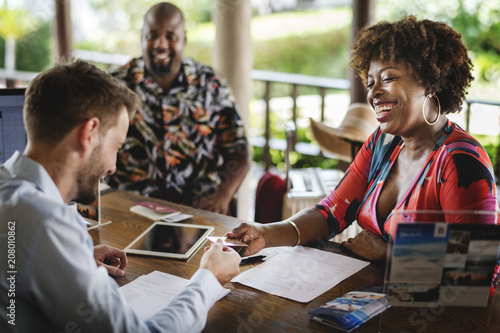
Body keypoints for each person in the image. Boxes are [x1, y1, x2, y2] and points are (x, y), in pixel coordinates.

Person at [227, 16, 498, 262]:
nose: (374, 93)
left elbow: (479, 265)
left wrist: (389, 253)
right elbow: (330, 212)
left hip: (438, 315)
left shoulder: (461, 162)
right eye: (370, 82)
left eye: (388, 78)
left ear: (430, 82)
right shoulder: (382, 143)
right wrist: (265, 233)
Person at [0, 59, 241, 332]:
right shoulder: (46, 222)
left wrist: (71, 259)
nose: (114, 167)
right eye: (116, 146)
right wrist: (208, 278)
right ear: (89, 133)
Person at [107, 2, 250, 216]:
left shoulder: (211, 84)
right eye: (152, 35)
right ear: (142, 36)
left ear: (184, 38)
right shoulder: (116, 87)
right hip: (131, 210)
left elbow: (239, 150)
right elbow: (95, 148)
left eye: (171, 37)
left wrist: (224, 195)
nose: (160, 44)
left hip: (198, 210)